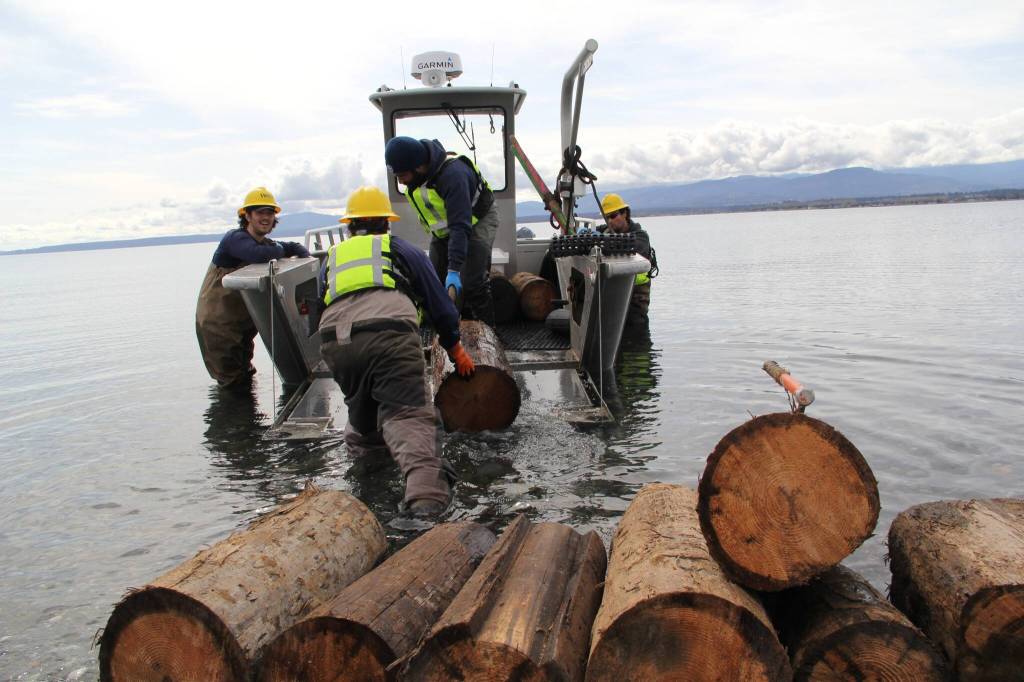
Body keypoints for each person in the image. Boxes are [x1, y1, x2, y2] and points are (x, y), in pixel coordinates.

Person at [318, 186, 476, 519]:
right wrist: (456, 348)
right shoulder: (400, 249)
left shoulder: (331, 258)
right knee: (408, 418)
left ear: (350, 227)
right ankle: (425, 507)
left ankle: (364, 499)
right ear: (386, 224)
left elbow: (316, 310)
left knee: (364, 427)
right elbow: (439, 306)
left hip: (335, 342)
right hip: (388, 336)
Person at [195, 187, 310, 388]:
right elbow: (258, 254)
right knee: (231, 382)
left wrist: (300, 251)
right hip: (218, 324)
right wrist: (281, 249)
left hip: (240, 323)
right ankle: (234, 419)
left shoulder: (264, 242)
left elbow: (288, 247)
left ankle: (248, 417)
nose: (266, 217)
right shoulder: (235, 238)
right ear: (247, 216)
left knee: (244, 373)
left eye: (270, 213)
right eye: (259, 213)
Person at [384, 136, 499, 326]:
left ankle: (490, 334)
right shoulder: (419, 177)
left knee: (472, 284)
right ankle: (446, 330)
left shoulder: (454, 176)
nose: (401, 181)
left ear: (418, 166)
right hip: (445, 230)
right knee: (433, 281)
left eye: (402, 175)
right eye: (397, 177)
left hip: (478, 220)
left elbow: (460, 226)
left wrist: (453, 270)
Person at [597, 193, 658, 327]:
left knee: (636, 332)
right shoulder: (606, 231)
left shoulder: (641, 237)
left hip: (636, 301)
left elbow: (627, 245)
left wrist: (601, 239)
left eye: (614, 216)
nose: (611, 221)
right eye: (607, 218)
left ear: (625, 213)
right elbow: (599, 231)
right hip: (614, 297)